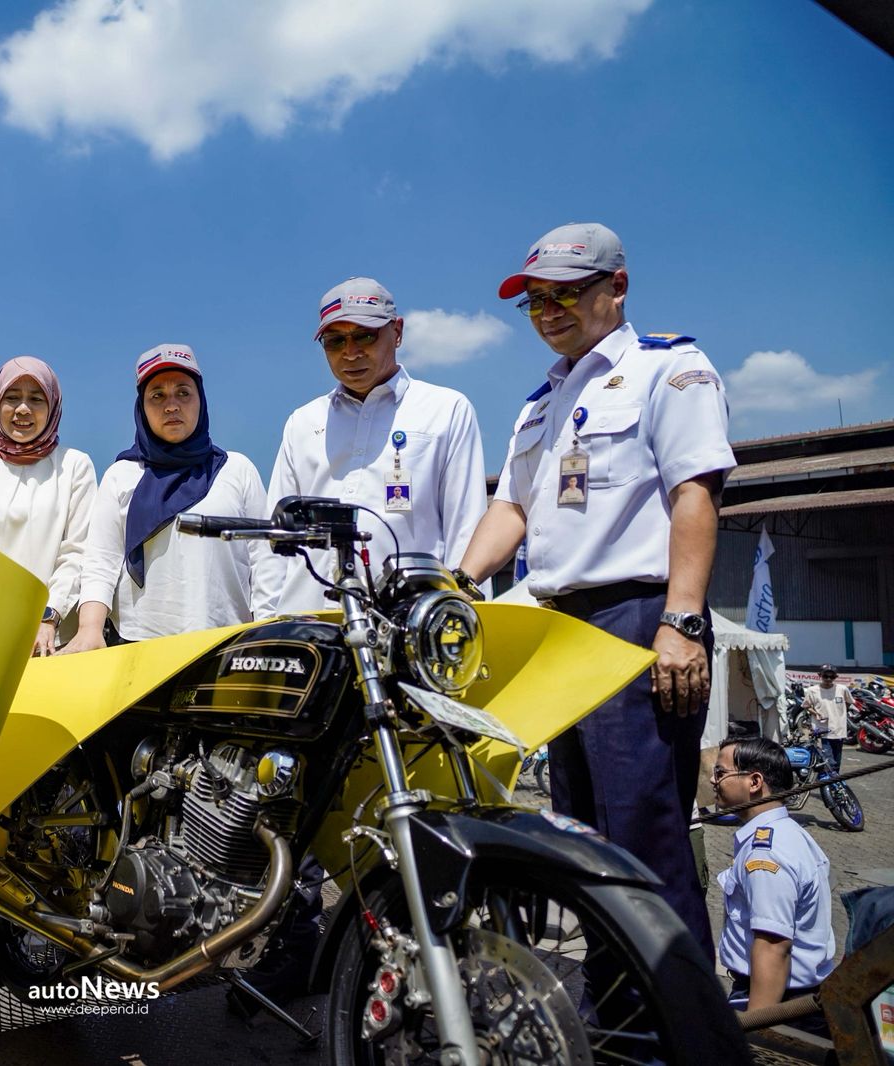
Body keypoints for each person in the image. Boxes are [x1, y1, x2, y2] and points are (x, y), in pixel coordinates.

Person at [456, 222, 735, 956]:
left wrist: (683, 620)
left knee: (643, 835)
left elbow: (695, 494)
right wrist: (457, 581)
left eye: (565, 294)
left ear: (617, 286)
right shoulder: (539, 404)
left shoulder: (668, 369)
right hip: (559, 630)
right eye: (535, 301)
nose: (548, 312)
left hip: (635, 621)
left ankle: (676, 1012)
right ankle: (615, 1004)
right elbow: (510, 509)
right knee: (581, 838)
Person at [267, 277, 486, 612]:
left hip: (406, 622)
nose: (350, 352)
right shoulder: (303, 422)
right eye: (334, 341)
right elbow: (276, 537)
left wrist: (459, 618)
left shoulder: (446, 410)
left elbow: (466, 528)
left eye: (365, 336)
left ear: (397, 332)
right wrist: (268, 620)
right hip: (309, 620)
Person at [63, 345, 277, 652]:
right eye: (157, 396)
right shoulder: (121, 475)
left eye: (183, 393)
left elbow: (264, 560)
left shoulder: (238, 469)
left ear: (201, 400)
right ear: (141, 407)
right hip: (138, 646)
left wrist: (268, 632)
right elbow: (101, 561)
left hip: (227, 643)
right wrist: (89, 629)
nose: (171, 406)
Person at [0, 357, 96, 655]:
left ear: (53, 406)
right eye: (12, 398)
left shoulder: (75, 466)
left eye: (36, 399)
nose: (23, 409)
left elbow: (78, 551)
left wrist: (49, 616)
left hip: (48, 640)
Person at [712, 736, 834, 1016]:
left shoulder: (766, 854)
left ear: (754, 782)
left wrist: (758, 1029)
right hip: (791, 997)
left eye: (720, 773)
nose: (712, 780)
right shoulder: (787, 832)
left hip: (774, 1001)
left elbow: (773, 948)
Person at [803, 664, 850, 771]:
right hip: (821, 731)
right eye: (825, 676)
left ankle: (834, 780)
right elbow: (806, 706)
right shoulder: (812, 690)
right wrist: (816, 713)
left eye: (831, 677)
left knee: (837, 761)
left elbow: (848, 702)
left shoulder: (842, 689)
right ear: (820, 675)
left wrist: (839, 714)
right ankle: (827, 780)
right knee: (828, 761)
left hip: (839, 730)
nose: (828, 679)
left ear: (835, 677)